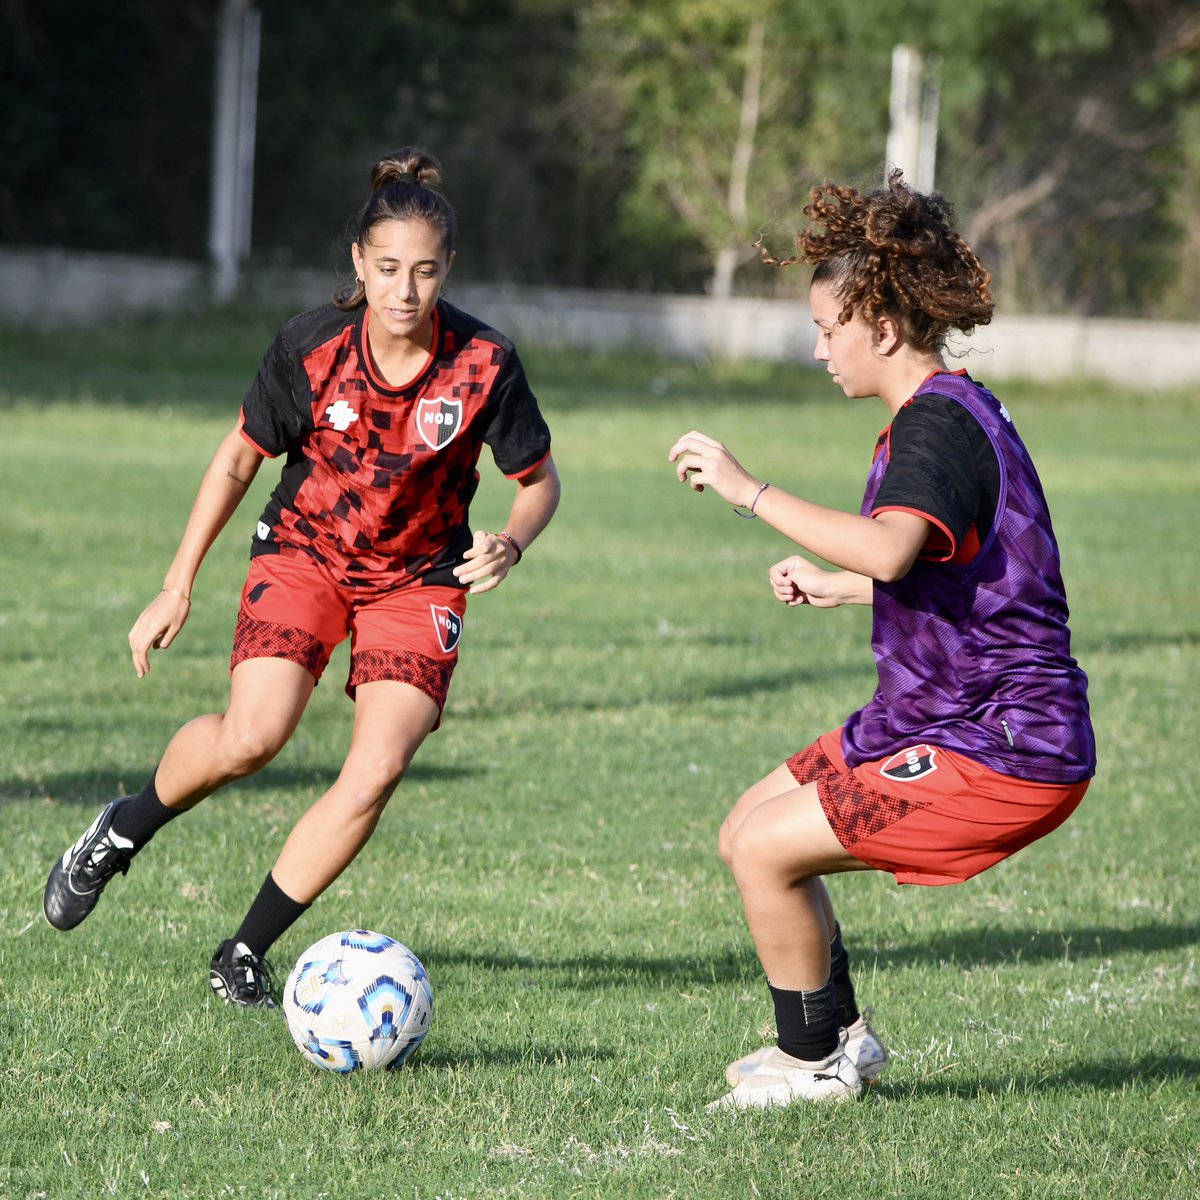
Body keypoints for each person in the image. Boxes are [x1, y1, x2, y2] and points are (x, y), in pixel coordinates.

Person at [44, 147, 561, 1006]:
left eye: (425, 272)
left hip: (420, 578)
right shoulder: (311, 346)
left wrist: (512, 540)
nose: (405, 290)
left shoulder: (485, 363)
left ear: (450, 271)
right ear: (358, 262)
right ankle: (121, 829)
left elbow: (538, 482)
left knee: (379, 767)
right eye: (388, 268)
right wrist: (178, 583)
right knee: (253, 737)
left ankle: (243, 950)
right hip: (306, 553)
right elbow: (238, 458)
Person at [668, 170, 1095, 1109]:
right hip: (935, 712)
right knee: (748, 829)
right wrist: (839, 586)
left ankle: (809, 1063)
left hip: (1006, 740)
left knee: (772, 850)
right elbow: (958, 570)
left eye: (828, 331)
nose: (819, 351)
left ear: (884, 329)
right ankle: (842, 1040)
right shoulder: (948, 410)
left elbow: (896, 551)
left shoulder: (936, 426)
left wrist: (749, 491)